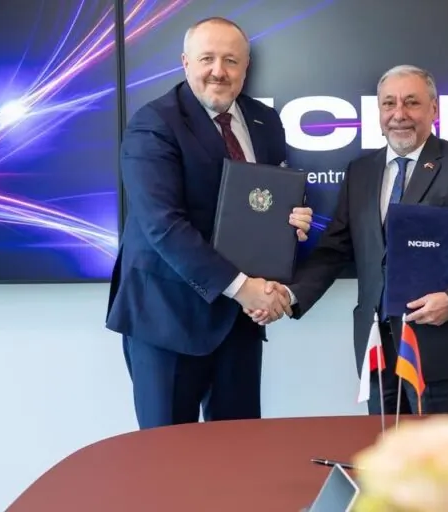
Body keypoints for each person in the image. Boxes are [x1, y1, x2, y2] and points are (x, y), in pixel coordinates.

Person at [248, 65, 448, 415]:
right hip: (377, 352)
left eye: (412, 102)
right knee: (385, 449)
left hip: (441, 351)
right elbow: (334, 250)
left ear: (434, 109)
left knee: (446, 452)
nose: (399, 114)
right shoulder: (361, 171)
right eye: (389, 103)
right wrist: (289, 294)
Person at [105, 17, 313, 429]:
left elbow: (266, 202)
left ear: (246, 67)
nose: (219, 71)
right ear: (185, 62)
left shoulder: (264, 121)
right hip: (167, 320)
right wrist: (244, 288)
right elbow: (163, 225)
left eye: (231, 60)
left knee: (239, 452)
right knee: (168, 457)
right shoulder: (154, 124)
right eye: (207, 59)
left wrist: (293, 220)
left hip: (239, 322)